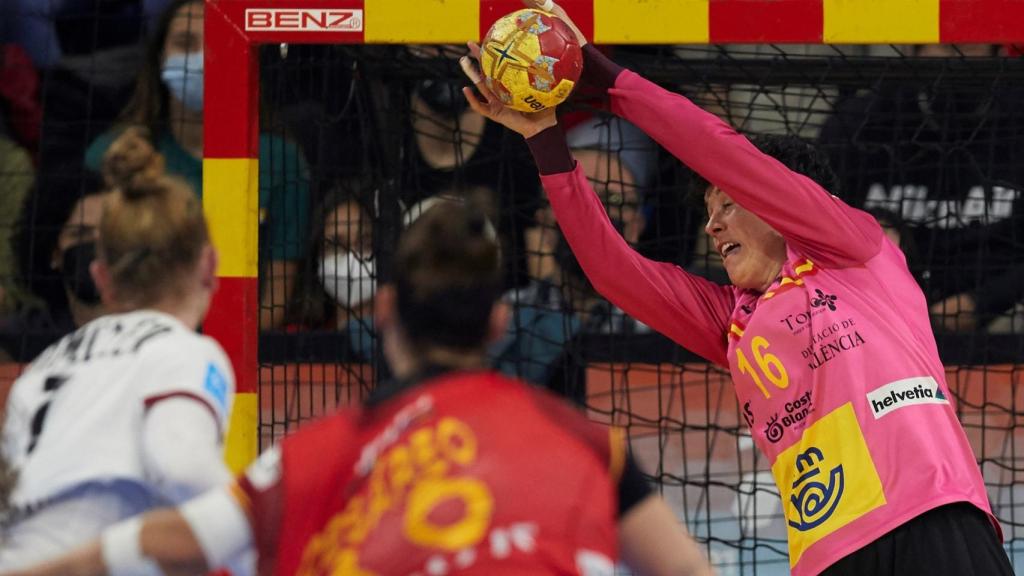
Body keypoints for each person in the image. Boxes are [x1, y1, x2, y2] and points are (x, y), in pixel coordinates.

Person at [459, 2, 1015, 575]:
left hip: (930, 517)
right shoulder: (733, 320)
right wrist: (544, 140)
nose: (712, 224)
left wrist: (614, 82)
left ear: (782, 204)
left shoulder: (853, 250)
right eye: (708, 210)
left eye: (727, 203)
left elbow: (719, 150)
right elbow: (613, 272)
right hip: (829, 556)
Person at [0, 200, 716, 576]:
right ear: (500, 321)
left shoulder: (321, 451)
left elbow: (183, 537)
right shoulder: (591, 440)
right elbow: (684, 568)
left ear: (381, 311)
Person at [0, 129, 247, 575]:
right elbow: (183, 466)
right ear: (210, 264)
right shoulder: (183, 351)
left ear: (102, 277)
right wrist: (257, 533)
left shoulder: (39, 368)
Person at [83, 0, 311, 330]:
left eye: (216, 41)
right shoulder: (113, 155)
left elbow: (275, 300)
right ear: (159, 57)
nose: (201, 58)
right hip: (137, 343)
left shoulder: (281, 162)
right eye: (184, 43)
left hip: (249, 350)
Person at [819, 44, 1024, 333]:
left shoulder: (1016, 114)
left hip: (1004, 316)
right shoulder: (859, 122)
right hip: (876, 316)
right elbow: (819, 228)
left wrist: (984, 302)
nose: (955, 57)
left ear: (996, 47)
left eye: (965, 43)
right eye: (942, 46)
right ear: (913, 47)